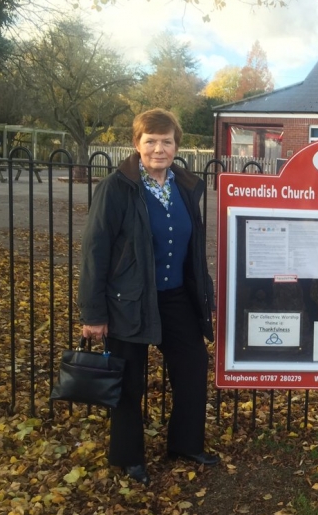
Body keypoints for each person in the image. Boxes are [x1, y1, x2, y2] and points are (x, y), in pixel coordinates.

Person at [78, 108, 218, 487]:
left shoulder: (185, 185)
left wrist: (204, 293)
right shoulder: (117, 187)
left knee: (192, 368)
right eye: (151, 140)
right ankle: (128, 457)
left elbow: (192, 247)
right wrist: (93, 313)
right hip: (128, 300)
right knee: (129, 381)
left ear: (177, 144)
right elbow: (95, 250)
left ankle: (185, 444)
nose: (159, 148)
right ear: (136, 143)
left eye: (166, 141)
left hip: (177, 298)